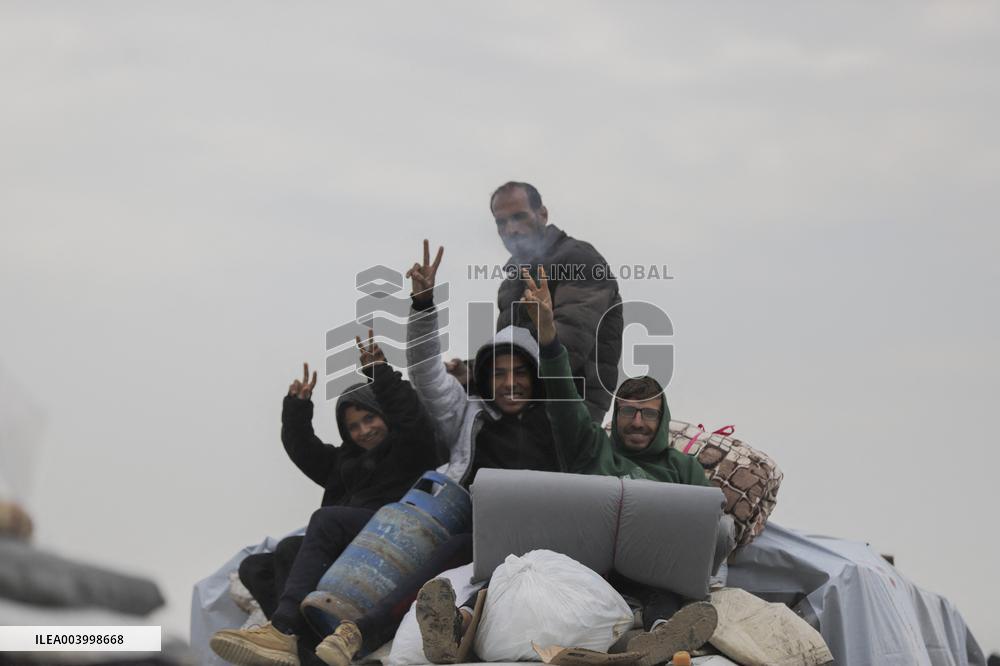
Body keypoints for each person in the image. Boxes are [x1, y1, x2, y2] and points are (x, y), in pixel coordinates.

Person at [415, 268, 718, 666]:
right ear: (616, 414)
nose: (638, 423)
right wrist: (547, 333)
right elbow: (562, 392)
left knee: (662, 596)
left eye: (648, 414)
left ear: (662, 418)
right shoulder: (588, 447)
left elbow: (703, 538)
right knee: (508, 574)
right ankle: (455, 625)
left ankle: (660, 641)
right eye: (629, 413)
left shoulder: (684, 469)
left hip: (650, 574)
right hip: (576, 560)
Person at [211, 333, 439, 666]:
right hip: (344, 543)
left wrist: (380, 372)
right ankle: (301, 650)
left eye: (370, 419)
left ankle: (282, 627)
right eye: (353, 427)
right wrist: (297, 409)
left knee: (324, 519)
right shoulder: (343, 463)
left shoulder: (408, 450)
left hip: (390, 538)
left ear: (384, 416)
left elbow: (411, 418)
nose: (364, 431)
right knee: (258, 565)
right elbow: (303, 450)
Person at [405, 240, 562, 487]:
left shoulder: (557, 420)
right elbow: (426, 373)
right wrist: (422, 305)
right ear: (485, 380)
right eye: (499, 374)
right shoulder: (466, 411)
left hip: (537, 521)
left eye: (520, 372)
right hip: (465, 519)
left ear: (536, 377)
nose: (510, 383)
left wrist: (547, 327)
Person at [491, 181, 623, 422]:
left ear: (542, 215)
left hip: (570, 417)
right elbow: (505, 355)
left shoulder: (579, 260)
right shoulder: (511, 284)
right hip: (525, 410)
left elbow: (567, 348)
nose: (511, 229)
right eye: (502, 222)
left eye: (519, 217)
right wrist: (468, 372)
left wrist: (487, 377)